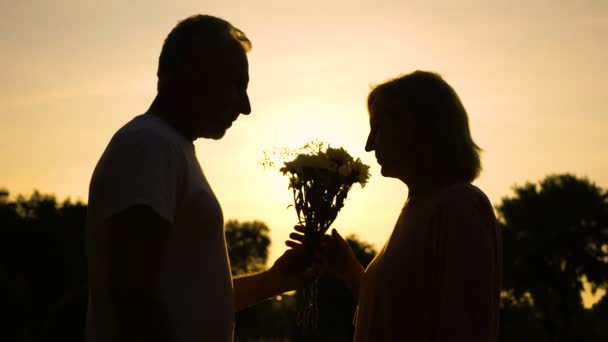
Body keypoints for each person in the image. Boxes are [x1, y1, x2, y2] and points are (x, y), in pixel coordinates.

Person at [86, 15, 312, 342]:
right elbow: (133, 294)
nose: (246, 107)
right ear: (196, 74)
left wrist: (274, 281)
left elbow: (191, 300)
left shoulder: (169, 148)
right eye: (238, 85)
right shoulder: (149, 145)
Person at [289, 71, 502, 341]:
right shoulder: (419, 208)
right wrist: (348, 269)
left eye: (377, 128)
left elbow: (466, 325)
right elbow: (398, 313)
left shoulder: (459, 205)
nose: (368, 145)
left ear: (417, 127)